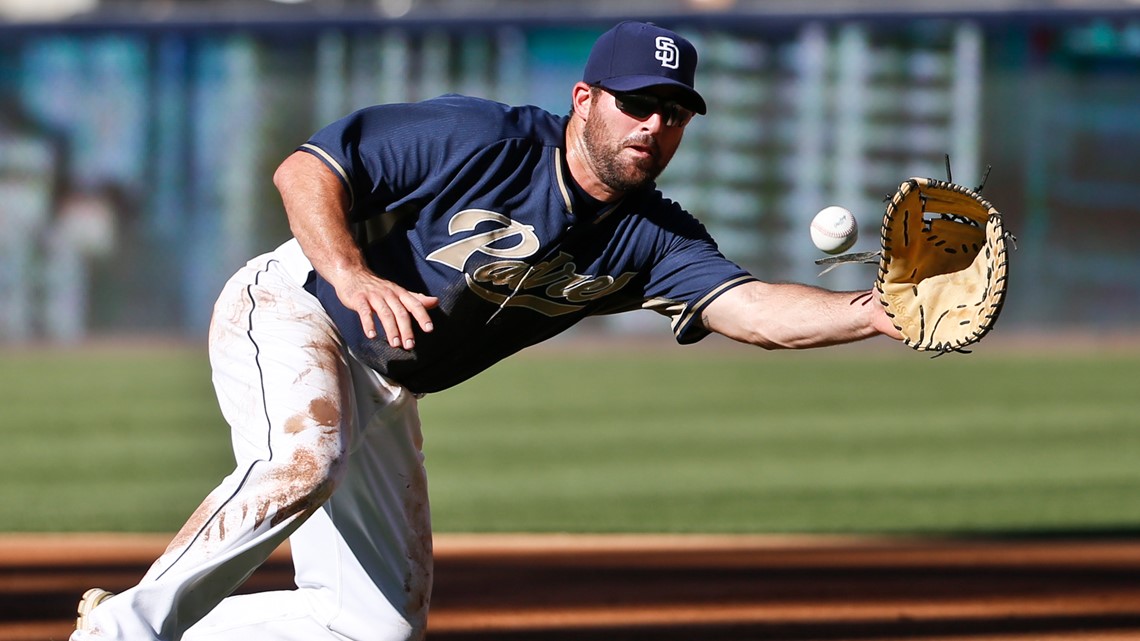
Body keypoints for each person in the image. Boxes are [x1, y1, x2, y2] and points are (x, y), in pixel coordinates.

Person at [72, 20, 901, 641]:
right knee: (304, 459)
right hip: (297, 307)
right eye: (638, 104)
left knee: (373, 626)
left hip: (389, 379)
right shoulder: (481, 138)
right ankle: (119, 636)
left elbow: (750, 310)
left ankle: (143, 619)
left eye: (676, 112)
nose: (655, 125)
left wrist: (873, 311)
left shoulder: (653, 236)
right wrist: (354, 272)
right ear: (585, 101)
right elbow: (307, 169)